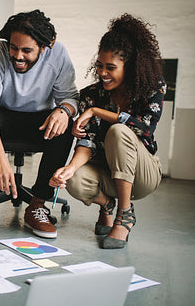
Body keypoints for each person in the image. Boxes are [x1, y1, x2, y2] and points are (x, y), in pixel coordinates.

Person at [49, 14, 165, 249]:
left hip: (142, 174)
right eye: (100, 66)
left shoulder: (152, 87)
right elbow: (87, 143)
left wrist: (96, 112)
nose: (102, 73)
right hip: (107, 172)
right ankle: (107, 205)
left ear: (130, 67)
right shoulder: (92, 94)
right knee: (75, 181)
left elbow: (143, 127)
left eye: (111, 68)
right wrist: (68, 170)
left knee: (119, 132)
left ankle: (124, 216)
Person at [0, 10, 79, 238]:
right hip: (3, 115)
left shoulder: (58, 55)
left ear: (44, 48)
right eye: (13, 47)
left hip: (40, 120)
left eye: (26, 50)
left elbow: (71, 96)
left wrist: (64, 111)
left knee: (64, 129)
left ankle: (37, 205)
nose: (17, 56)